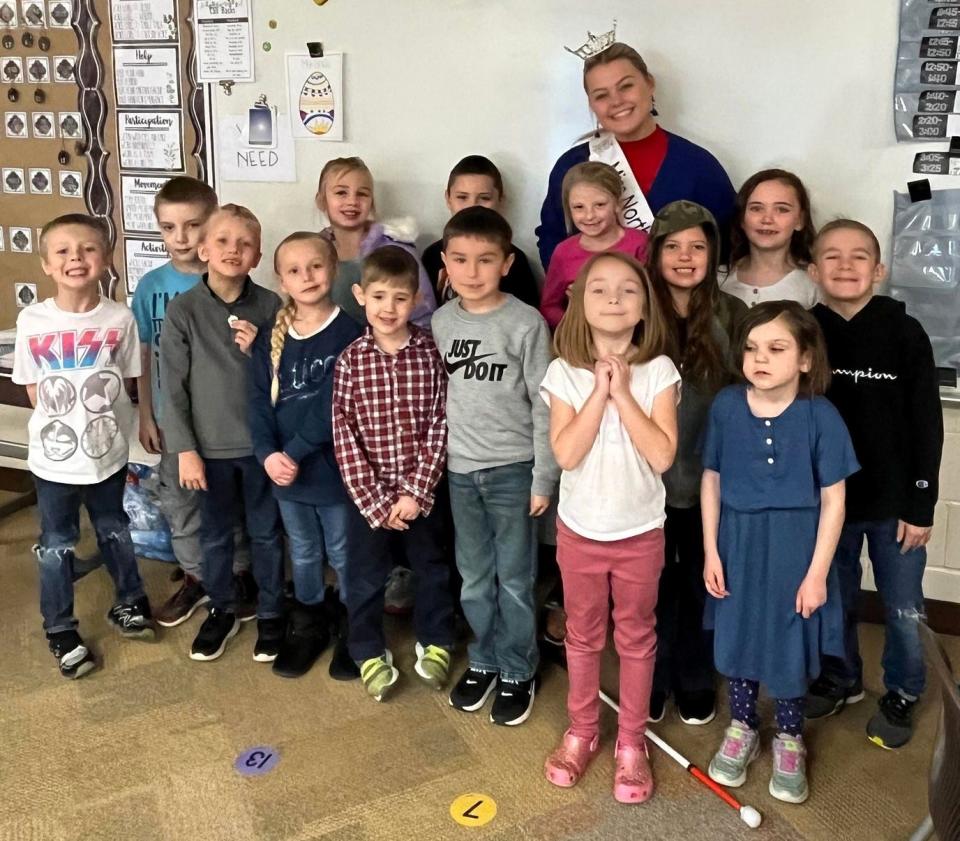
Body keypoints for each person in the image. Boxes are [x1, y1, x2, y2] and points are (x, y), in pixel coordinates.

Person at [701, 301, 858, 804]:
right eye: (750, 348)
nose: (760, 358)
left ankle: (790, 738)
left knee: (791, 638)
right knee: (740, 632)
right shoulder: (727, 405)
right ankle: (742, 725)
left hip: (796, 546)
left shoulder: (821, 415)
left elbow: (835, 499)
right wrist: (710, 550)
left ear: (806, 358)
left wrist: (816, 574)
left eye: (776, 348)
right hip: (737, 542)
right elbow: (712, 479)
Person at [540, 252, 679, 803]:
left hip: (640, 531)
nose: (614, 298)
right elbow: (567, 454)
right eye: (599, 289)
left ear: (645, 306)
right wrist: (598, 390)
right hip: (581, 532)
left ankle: (630, 742)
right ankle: (582, 731)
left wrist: (624, 390)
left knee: (637, 636)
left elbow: (663, 455)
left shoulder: (660, 370)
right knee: (582, 634)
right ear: (578, 303)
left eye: (628, 290)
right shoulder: (562, 373)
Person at [807, 220, 943, 749]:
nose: (846, 266)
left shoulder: (905, 332)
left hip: (895, 505)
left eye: (859, 256)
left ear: (879, 269)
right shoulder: (804, 331)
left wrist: (922, 501)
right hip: (827, 503)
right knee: (833, 599)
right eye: (833, 257)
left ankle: (904, 690)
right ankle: (841, 678)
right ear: (813, 270)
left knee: (903, 607)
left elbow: (926, 422)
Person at [13, 213, 156, 677]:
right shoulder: (32, 320)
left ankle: (129, 602)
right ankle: (59, 627)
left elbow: (132, 379)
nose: (77, 258)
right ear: (47, 265)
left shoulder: (120, 317)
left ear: (107, 258)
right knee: (57, 543)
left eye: (88, 248)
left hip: (108, 454)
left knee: (116, 529)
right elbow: (34, 391)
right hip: (54, 461)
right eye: (63, 251)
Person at [431, 206, 559, 726]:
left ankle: (518, 666)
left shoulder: (525, 323)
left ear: (507, 263)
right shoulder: (440, 322)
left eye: (485, 260)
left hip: (513, 472)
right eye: (460, 259)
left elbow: (545, 404)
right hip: (461, 473)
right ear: (445, 263)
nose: (472, 271)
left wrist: (543, 477)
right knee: (474, 578)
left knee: (515, 579)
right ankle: (484, 657)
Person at [160, 204, 285, 663]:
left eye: (245, 243)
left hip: (261, 448)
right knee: (214, 536)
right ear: (204, 248)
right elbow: (170, 387)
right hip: (208, 451)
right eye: (224, 241)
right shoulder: (184, 310)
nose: (234, 250)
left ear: (256, 256)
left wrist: (261, 351)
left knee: (267, 534)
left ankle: (271, 613)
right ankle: (221, 609)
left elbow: (286, 378)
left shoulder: (272, 306)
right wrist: (185, 451)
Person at [131, 177, 255, 627]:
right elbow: (144, 353)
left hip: (227, 423)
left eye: (192, 225)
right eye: (169, 227)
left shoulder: (232, 281)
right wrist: (146, 413)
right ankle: (196, 576)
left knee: (231, 504)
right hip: (172, 420)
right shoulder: (150, 287)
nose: (180, 238)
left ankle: (239, 575)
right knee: (180, 502)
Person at [333, 245, 453, 701]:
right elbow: (343, 435)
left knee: (433, 568)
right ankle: (366, 650)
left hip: (421, 492)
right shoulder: (351, 360)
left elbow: (442, 423)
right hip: (370, 498)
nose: (389, 308)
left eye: (400, 298)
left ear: (417, 300)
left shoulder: (429, 353)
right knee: (363, 577)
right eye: (379, 296)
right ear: (361, 295)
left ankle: (437, 640)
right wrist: (378, 503)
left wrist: (415, 493)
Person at [645, 200, 747, 725]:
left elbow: (753, 395)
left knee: (704, 582)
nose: (685, 256)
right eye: (673, 245)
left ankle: (695, 674)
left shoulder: (733, 315)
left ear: (714, 253)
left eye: (698, 246)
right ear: (655, 251)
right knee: (654, 584)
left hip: (712, 478)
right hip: (645, 480)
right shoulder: (635, 307)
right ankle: (655, 675)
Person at [248, 231, 362, 679]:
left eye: (315, 266)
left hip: (333, 473)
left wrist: (291, 452)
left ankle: (357, 628)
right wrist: (267, 455)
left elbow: (332, 406)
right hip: (284, 474)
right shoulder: (272, 336)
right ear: (281, 280)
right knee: (304, 550)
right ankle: (309, 622)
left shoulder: (351, 333)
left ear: (333, 268)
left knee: (343, 550)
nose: (306, 276)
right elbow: (257, 400)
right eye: (294, 270)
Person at [536, 42, 735, 269]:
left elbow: (727, 241)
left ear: (649, 84)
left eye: (626, 86)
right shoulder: (573, 165)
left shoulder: (698, 166)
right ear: (591, 104)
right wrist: (571, 284)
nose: (616, 101)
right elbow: (552, 238)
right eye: (601, 95)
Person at [316, 156, 436, 327]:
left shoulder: (397, 252)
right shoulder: (314, 251)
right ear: (321, 200)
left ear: (371, 202)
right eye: (341, 192)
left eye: (362, 194)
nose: (352, 201)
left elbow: (423, 317)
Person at [540, 162, 649, 330]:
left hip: (637, 340)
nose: (589, 216)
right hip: (582, 348)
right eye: (579, 207)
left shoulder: (640, 243)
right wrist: (577, 327)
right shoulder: (563, 252)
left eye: (599, 205)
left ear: (618, 204)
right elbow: (549, 307)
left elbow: (655, 300)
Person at [421, 155, 539, 308]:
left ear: (500, 200)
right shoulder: (432, 256)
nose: (472, 206)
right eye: (462, 197)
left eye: (484, 198)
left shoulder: (516, 261)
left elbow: (527, 315)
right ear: (448, 198)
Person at [721, 169, 819, 308]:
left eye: (782, 209)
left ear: (800, 220)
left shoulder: (813, 285)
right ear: (742, 219)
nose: (767, 219)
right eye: (756, 208)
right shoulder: (718, 280)